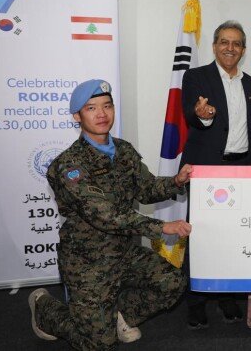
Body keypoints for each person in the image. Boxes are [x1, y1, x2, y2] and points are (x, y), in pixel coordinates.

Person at [28, 79, 193, 350]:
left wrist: (176, 181)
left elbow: (146, 188)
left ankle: (118, 316)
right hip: (87, 263)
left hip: (124, 252)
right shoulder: (68, 166)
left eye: (107, 106)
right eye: (91, 108)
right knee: (98, 344)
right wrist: (162, 227)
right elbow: (103, 214)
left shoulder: (124, 150)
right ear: (77, 116)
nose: (102, 114)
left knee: (173, 282)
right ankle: (44, 308)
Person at [179, 20, 251, 329]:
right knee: (200, 235)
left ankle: (227, 295)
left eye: (236, 43)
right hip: (207, 170)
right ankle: (196, 301)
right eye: (224, 42)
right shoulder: (196, 77)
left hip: (242, 170)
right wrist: (203, 115)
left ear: (243, 50)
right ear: (214, 46)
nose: (230, 48)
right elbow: (193, 114)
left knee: (234, 235)